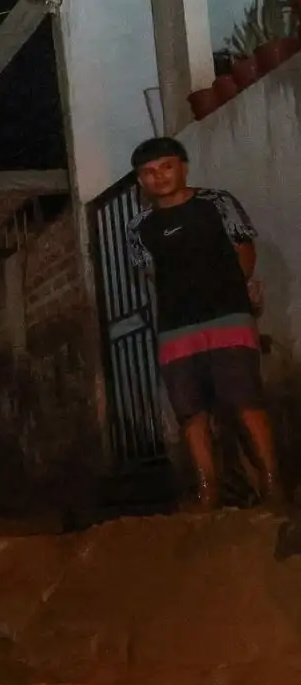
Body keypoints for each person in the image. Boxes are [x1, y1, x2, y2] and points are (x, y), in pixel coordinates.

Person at [127, 137, 282, 509]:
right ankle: (207, 492)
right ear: (140, 182)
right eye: (148, 172)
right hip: (176, 327)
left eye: (166, 166)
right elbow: (150, 274)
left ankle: (274, 487)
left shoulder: (217, 203)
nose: (158, 177)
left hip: (228, 315)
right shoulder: (138, 227)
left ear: (183, 167)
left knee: (246, 402)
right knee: (191, 413)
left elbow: (244, 249)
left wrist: (235, 295)